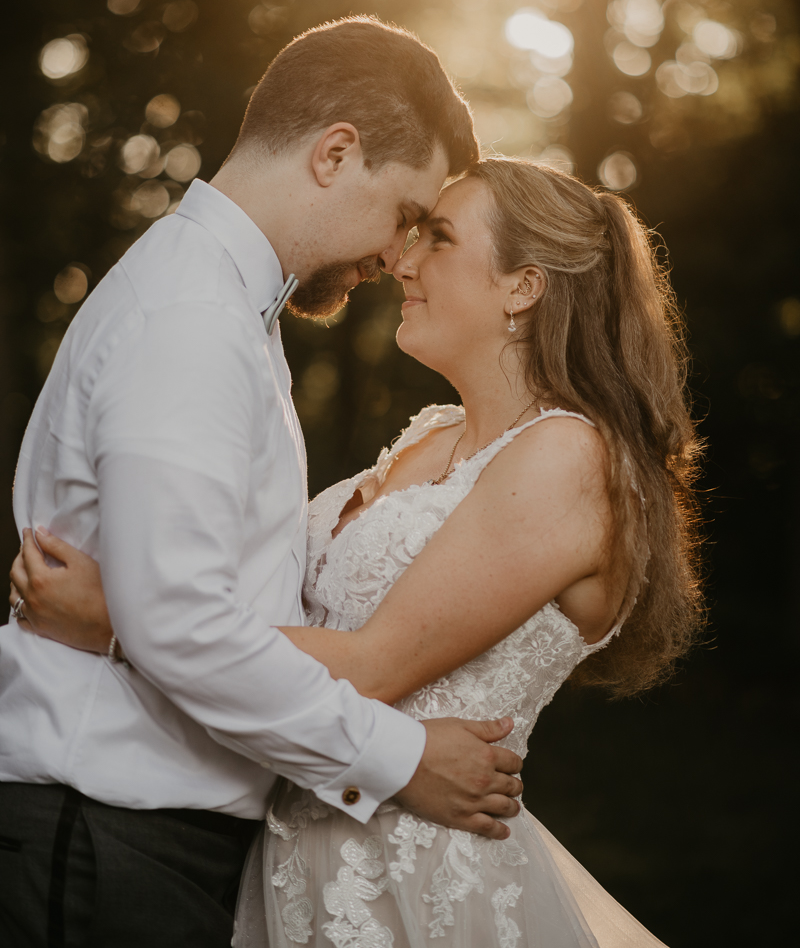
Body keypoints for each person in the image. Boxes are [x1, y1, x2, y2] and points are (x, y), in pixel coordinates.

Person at [10, 156, 704, 946]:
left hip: (414, 883)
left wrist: (119, 616)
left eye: (437, 238)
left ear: (524, 285)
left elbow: (372, 666)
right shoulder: (431, 434)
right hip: (290, 860)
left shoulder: (569, 458)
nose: (401, 261)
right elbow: (271, 609)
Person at [0, 18, 527, 948]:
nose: (401, 257)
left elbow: (185, 608)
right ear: (334, 154)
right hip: (106, 844)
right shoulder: (193, 316)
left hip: (142, 846)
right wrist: (400, 760)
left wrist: (115, 620)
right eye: (406, 214)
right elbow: (184, 624)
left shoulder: (230, 310)